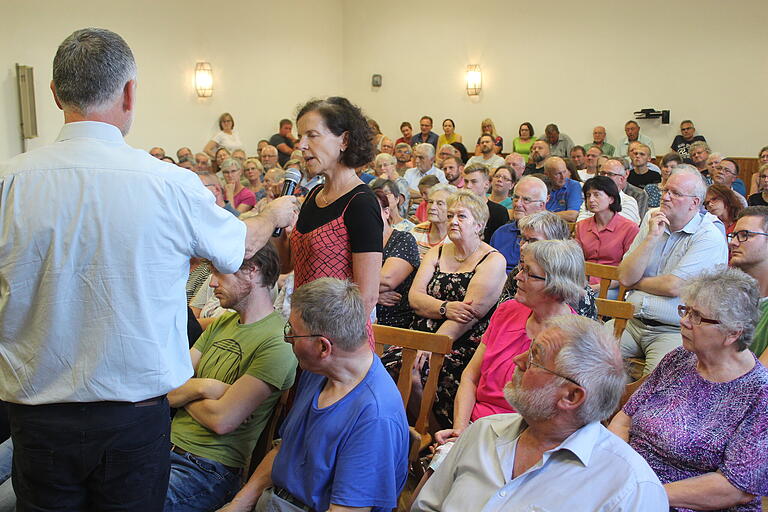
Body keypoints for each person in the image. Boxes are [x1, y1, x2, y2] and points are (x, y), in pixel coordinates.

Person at [0, 27, 298, 511]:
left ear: (54, 94)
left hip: (39, 416)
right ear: (130, 92)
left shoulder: (9, 182)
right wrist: (273, 215)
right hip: (132, 420)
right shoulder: (168, 185)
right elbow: (237, 247)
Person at [412, 315, 668, 512]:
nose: (518, 361)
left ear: (571, 396)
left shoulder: (629, 488)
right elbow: (427, 507)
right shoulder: (483, 432)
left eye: (535, 357)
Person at [220, 278, 410, 512]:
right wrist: (237, 505)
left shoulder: (375, 417)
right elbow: (284, 450)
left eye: (293, 332)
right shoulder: (319, 372)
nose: (286, 338)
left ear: (323, 347)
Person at [610, 268, 768, 512]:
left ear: (732, 333)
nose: (684, 321)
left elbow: (735, 488)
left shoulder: (759, 393)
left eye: (697, 316)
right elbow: (624, 418)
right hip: (628, 483)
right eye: (686, 310)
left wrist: (643, 492)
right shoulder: (680, 358)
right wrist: (617, 468)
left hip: (679, 502)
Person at [164, 245, 297, 511]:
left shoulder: (279, 341)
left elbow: (222, 420)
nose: (212, 282)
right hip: (162, 447)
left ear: (251, 272)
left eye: (220, 273)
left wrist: (184, 393)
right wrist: (206, 387)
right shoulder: (223, 323)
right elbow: (165, 389)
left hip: (207, 469)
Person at [432, 240, 584, 446]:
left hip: (523, 438)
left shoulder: (573, 340)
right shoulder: (507, 311)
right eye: (522, 268)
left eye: (529, 273)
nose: (518, 277)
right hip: (477, 425)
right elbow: (470, 377)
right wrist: (460, 431)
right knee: (439, 467)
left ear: (556, 287)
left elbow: (555, 420)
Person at [384, 191, 506, 428]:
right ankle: (398, 431)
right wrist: (445, 307)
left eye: (462, 216)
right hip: (418, 335)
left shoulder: (492, 260)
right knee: (384, 366)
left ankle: (429, 431)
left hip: (458, 343)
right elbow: (415, 298)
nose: (453, 221)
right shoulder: (437, 252)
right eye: (450, 216)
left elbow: (467, 317)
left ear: (479, 225)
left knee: (414, 369)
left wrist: (432, 346)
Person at [275, 97, 384, 349]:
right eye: (300, 136)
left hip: (338, 343)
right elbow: (286, 264)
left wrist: (328, 345)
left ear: (344, 140)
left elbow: (366, 296)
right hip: (305, 333)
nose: (301, 146)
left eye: (312, 135)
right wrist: (276, 225)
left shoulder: (361, 202)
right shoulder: (314, 195)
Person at [615, 165, 729, 375]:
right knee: (585, 358)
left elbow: (673, 286)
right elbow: (623, 276)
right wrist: (651, 238)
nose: (665, 197)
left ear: (694, 203)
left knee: (655, 383)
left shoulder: (708, 235)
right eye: (665, 190)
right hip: (631, 323)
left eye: (675, 193)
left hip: (675, 331)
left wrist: (636, 282)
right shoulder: (653, 218)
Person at [498, 212, 598, 320]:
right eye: (524, 239)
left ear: (555, 245)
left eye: (533, 241)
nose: (523, 247)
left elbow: (577, 332)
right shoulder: (517, 273)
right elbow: (501, 316)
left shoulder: (571, 286)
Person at [575, 177, 640, 295]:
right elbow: (576, 261)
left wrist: (596, 287)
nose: (591, 200)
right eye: (588, 195)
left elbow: (629, 270)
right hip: (583, 282)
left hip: (613, 285)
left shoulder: (629, 228)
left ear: (611, 198)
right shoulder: (581, 226)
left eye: (596, 195)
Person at [374, 189, 420, 329]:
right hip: (358, 321)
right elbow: (335, 282)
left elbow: (386, 281)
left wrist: (358, 293)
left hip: (394, 325)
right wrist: (373, 297)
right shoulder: (353, 242)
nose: (366, 216)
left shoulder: (403, 239)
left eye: (373, 210)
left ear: (386, 212)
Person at [729, 206, 768, 365]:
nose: (733, 243)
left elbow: (762, 379)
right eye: (733, 235)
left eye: (745, 235)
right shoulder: (725, 293)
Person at [490, 176, 548, 272]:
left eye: (526, 200)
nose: (517, 204)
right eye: (516, 198)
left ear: (541, 206)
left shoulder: (547, 235)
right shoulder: (500, 233)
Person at [461, 163, 509, 242]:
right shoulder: (459, 209)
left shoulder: (499, 212)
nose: (468, 186)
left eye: (474, 182)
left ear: (486, 184)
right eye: (466, 181)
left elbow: (502, 242)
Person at [410, 183, 457, 259]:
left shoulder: (456, 236)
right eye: (430, 202)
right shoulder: (416, 231)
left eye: (440, 204)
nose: (432, 207)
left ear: (452, 208)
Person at [598, 157, 647, 221]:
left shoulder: (638, 194)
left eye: (610, 174)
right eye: (602, 173)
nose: (605, 177)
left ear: (626, 174)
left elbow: (639, 222)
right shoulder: (596, 193)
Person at [544, 156, 582, 222]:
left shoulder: (573, 185)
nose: (563, 177)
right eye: (558, 174)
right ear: (547, 174)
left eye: (564, 172)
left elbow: (572, 215)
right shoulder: (541, 186)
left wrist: (544, 216)